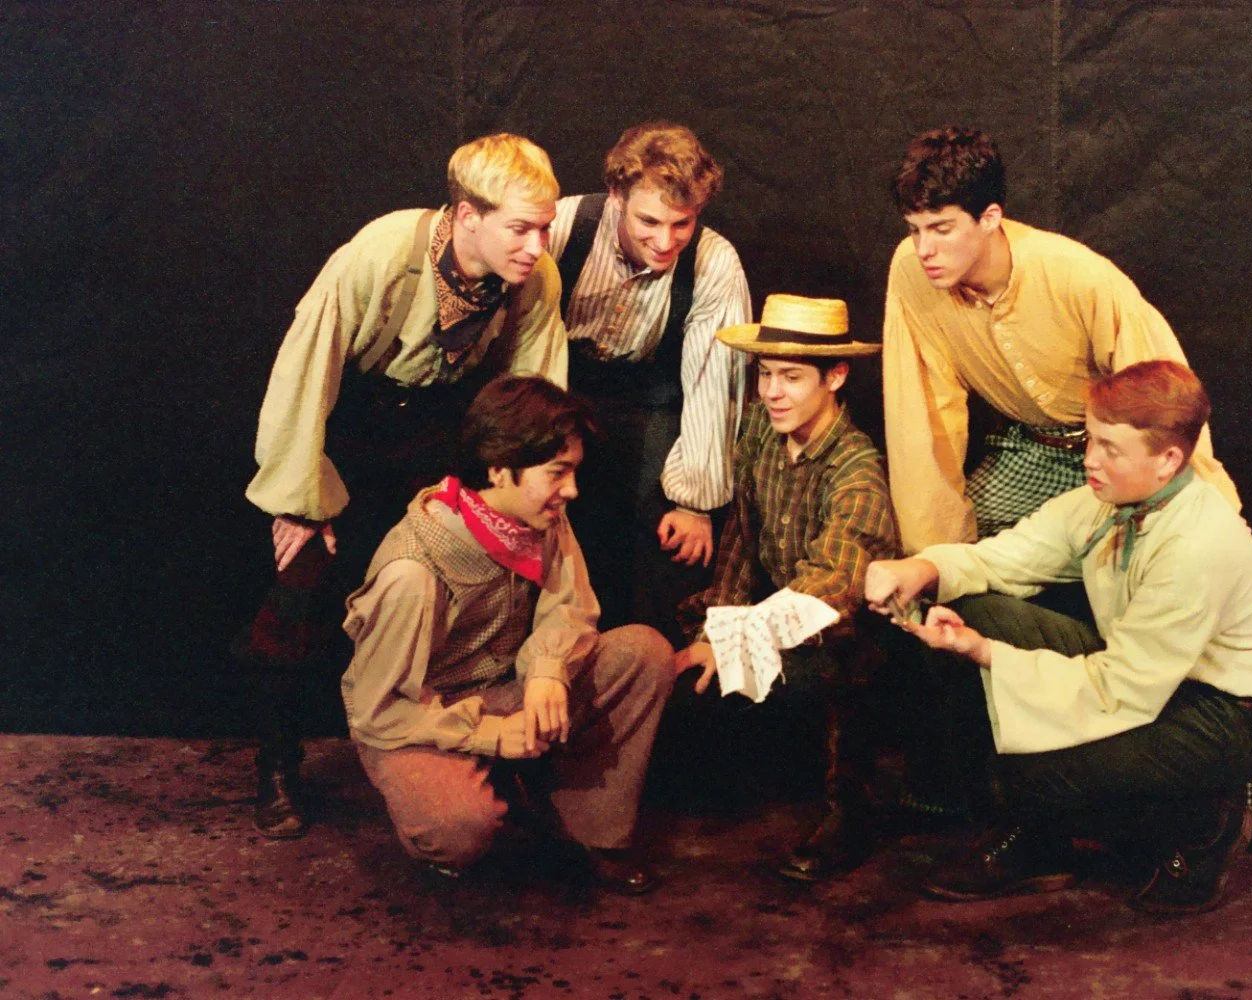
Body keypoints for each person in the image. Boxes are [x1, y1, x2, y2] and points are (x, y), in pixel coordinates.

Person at [881, 125, 1252, 865]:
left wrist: (1194, 497)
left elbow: (1158, 395)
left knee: (1218, 586)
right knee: (956, 570)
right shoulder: (910, 272)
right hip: (1027, 449)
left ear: (992, 218)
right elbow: (923, 406)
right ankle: (960, 785)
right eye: (915, 230)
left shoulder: (1078, 276)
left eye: (942, 230)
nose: (926, 250)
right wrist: (927, 550)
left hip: (1116, 444)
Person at [866, 360, 1252, 914]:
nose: (1089, 460)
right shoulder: (1104, 500)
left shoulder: (1199, 543)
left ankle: (1205, 822)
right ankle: (1040, 847)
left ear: (1168, 460)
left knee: (1030, 771)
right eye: (1089, 439)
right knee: (972, 604)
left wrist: (984, 652)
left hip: (1217, 710)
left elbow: (1122, 688)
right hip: (1140, 675)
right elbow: (1006, 559)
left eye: (1110, 448)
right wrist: (920, 569)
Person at [238, 134, 570, 838]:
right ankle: (277, 766)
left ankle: (457, 750)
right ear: (467, 214)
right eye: (520, 227)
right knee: (303, 587)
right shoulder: (381, 254)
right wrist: (300, 499)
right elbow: (305, 371)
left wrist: (527, 489)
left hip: (438, 442)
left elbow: (536, 396)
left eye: (544, 227)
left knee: (464, 581)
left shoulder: (534, 279)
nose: (537, 245)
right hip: (345, 434)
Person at [341, 375, 674, 893]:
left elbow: (571, 605)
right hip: (418, 719)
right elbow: (376, 711)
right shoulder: (413, 571)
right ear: (498, 469)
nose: (572, 490)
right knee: (458, 831)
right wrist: (492, 736)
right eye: (557, 473)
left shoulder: (537, 518)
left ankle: (589, 830)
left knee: (643, 653)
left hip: (503, 691)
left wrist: (547, 672)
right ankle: (473, 791)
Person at [676, 294, 898, 882]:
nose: (773, 391)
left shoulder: (856, 469)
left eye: (792, 377)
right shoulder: (759, 429)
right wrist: (709, 629)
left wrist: (729, 642)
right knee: (677, 676)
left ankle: (849, 813)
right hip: (769, 614)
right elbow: (741, 542)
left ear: (836, 376)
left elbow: (827, 592)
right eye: (766, 374)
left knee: (845, 662)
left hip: (839, 634)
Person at [548, 121, 752, 643]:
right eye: (649, 221)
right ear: (617, 195)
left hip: (651, 402)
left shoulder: (715, 262)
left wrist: (696, 504)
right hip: (557, 389)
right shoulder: (564, 224)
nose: (665, 242)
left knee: (662, 548)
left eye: (681, 224)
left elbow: (714, 382)